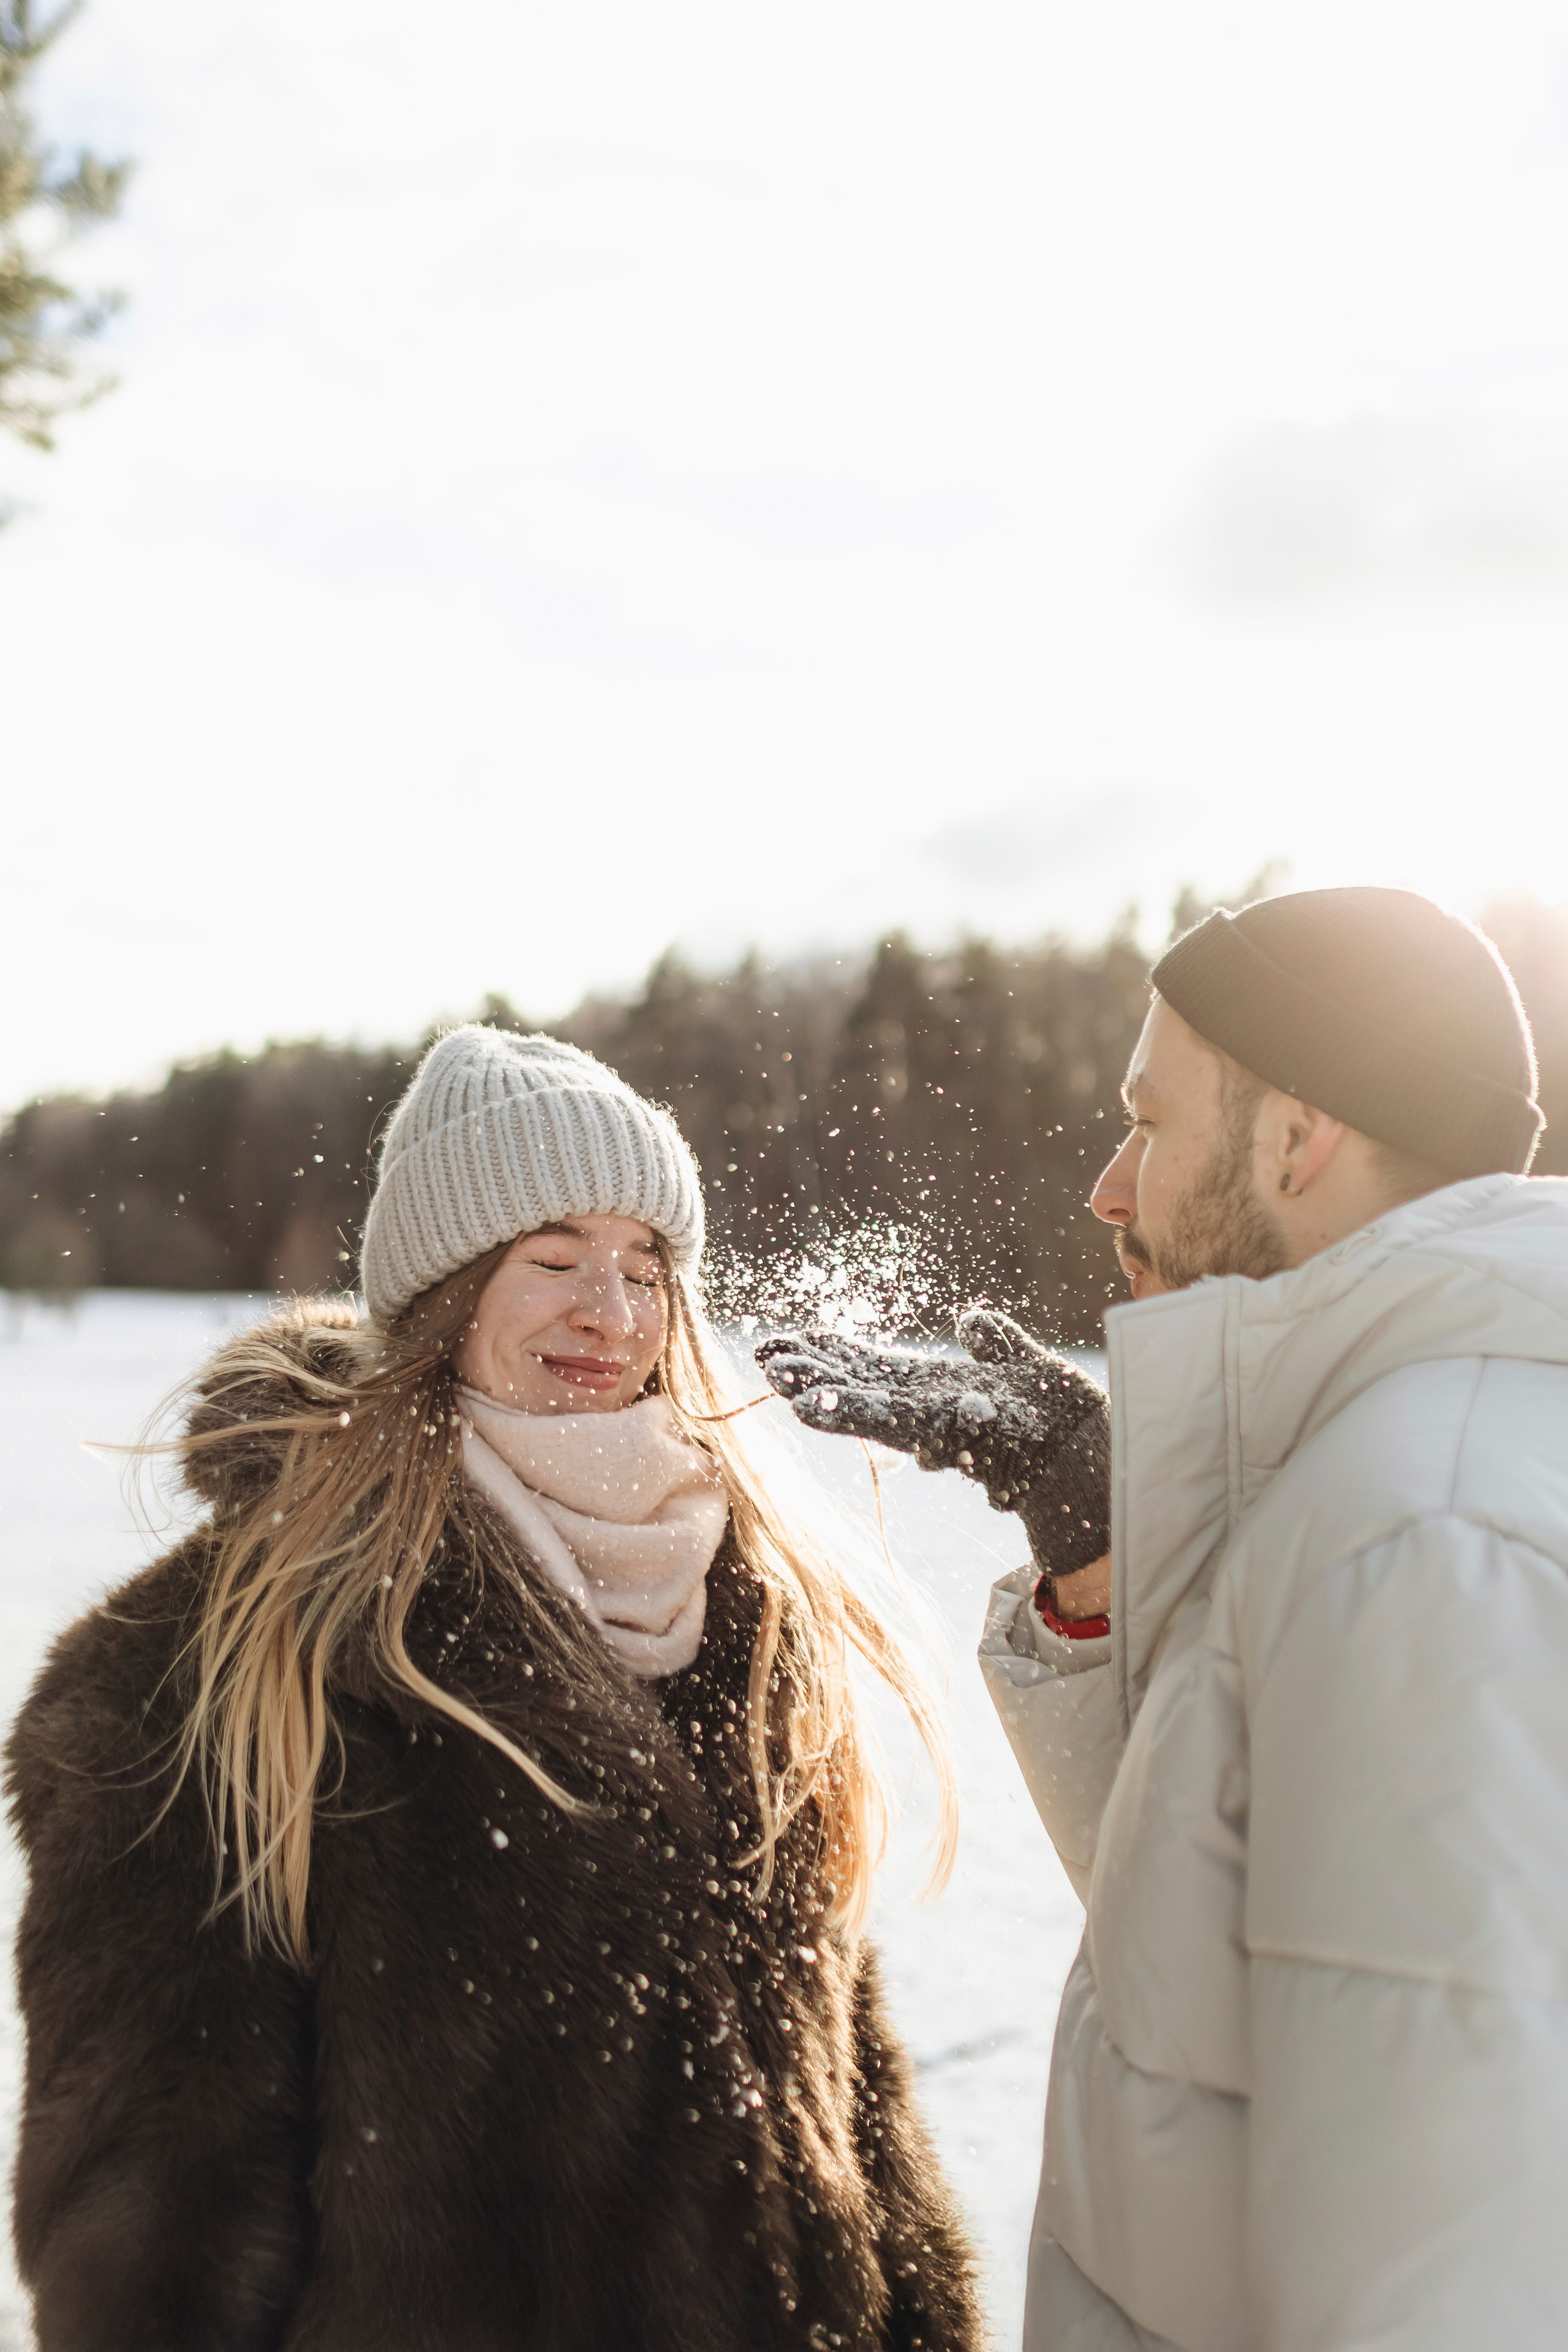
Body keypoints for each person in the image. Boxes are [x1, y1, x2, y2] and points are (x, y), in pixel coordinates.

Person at [6, 1026, 983, 2352]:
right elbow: (148, 2207)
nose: (612, 1311)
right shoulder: (210, 1660)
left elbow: (850, 2110)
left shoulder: (743, 1617)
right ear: (447, 1288)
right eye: (554, 1259)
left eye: (647, 1264)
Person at [761, 886, 1568, 2352]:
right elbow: (1235, 1970)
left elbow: (1448, 2266)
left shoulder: (1417, 1533)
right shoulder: (1411, 1465)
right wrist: (1103, 1551)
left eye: (1149, 1119)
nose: (1107, 1187)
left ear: (1294, 1134)